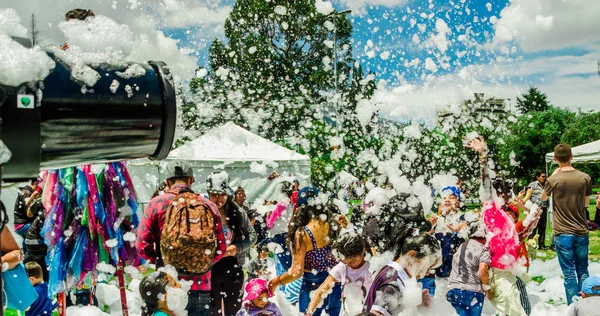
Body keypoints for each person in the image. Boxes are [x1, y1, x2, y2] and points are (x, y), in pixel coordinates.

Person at [136, 160, 227, 316]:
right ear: (191, 180)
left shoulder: (156, 204)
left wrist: (162, 260)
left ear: (167, 182)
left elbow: (141, 246)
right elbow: (221, 249)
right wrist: (202, 264)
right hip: (200, 286)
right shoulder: (208, 205)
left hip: (168, 290)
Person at [267, 201, 347, 316]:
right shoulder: (333, 224)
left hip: (312, 286)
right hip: (335, 283)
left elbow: (296, 272)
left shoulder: (302, 233)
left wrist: (275, 282)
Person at [542, 144, 593, 305]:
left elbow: (543, 198)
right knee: (583, 270)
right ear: (572, 157)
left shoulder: (553, 179)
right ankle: (587, 306)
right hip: (581, 229)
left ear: (555, 158)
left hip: (562, 231)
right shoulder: (585, 177)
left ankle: (574, 307)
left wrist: (556, 173)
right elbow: (585, 203)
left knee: (569, 273)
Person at [206, 171, 257, 316]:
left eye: (222, 194)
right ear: (208, 193)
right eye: (214, 194)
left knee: (233, 310)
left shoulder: (238, 212)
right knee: (213, 311)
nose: (218, 198)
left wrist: (238, 247)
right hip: (210, 269)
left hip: (233, 267)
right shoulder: (204, 212)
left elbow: (253, 236)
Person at [363, 227, 442, 315]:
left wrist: (413, 304)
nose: (427, 273)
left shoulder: (392, 271)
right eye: (428, 266)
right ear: (411, 255)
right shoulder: (393, 282)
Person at [305, 233, 373, 316]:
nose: (349, 265)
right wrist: (308, 313)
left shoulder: (373, 267)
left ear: (363, 251)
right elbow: (321, 291)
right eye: (345, 262)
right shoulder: (343, 267)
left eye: (352, 262)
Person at [446, 218, 491, 316]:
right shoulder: (484, 249)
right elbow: (483, 269)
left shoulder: (462, 246)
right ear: (484, 237)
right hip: (473, 292)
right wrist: (487, 289)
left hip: (453, 290)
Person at [430, 185, 467, 277]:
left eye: (451, 198)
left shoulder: (462, 218)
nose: (447, 200)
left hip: (457, 271)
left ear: (458, 202)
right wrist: (430, 226)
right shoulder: (437, 219)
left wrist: (462, 228)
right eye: (444, 197)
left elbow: (468, 228)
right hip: (439, 271)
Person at [23, 198, 49, 282]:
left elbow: (29, 214)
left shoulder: (41, 200)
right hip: (38, 242)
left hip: (31, 240)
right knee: (44, 271)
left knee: (30, 262)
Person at [525, 171, 550, 249]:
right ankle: (530, 243)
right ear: (537, 177)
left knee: (542, 226)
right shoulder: (532, 185)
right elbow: (528, 195)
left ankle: (541, 245)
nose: (544, 178)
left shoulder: (546, 185)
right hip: (535, 208)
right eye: (542, 176)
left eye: (545, 177)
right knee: (533, 226)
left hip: (544, 207)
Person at [14, 180, 38, 248]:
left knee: (26, 240)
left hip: (19, 225)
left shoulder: (25, 191)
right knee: (41, 232)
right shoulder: (27, 193)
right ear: (35, 183)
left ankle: (26, 255)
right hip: (23, 225)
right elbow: (28, 213)